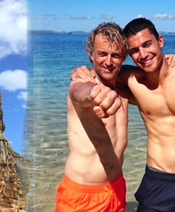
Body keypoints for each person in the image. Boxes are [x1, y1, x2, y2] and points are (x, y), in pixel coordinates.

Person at [72, 18, 175, 211]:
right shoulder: (132, 80)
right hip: (158, 180)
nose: (143, 54)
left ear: (160, 41)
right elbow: (104, 71)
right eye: (134, 50)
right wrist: (79, 71)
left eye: (147, 44)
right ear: (129, 55)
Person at [56, 22, 128, 212]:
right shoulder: (82, 81)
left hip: (116, 190)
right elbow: (78, 92)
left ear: (124, 58)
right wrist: (93, 94)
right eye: (102, 54)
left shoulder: (125, 89)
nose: (109, 61)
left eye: (116, 55)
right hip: (81, 196)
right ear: (91, 55)